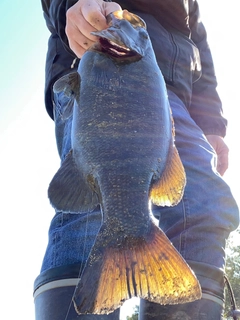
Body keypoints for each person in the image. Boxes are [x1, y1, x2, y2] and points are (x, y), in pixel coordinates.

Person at [34, 0, 239, 319]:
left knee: (206, 206)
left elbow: (196, 40)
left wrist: (212, 123)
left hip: (172, 99)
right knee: (87, 212)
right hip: (90, 79)